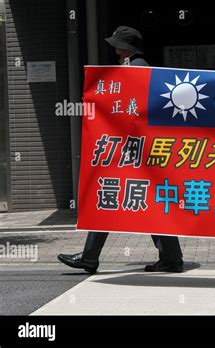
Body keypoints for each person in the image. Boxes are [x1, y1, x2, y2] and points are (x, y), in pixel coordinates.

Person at [58, 26, 184, 274]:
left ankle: (90, 257)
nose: (113, 48)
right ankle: (171, 258)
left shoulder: (135, 69)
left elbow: (132, 110)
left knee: (108, 196)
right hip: (140, 148)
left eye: (116, 44)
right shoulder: (140, 67)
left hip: (132, 148)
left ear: (123, 48)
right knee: (149, 202)